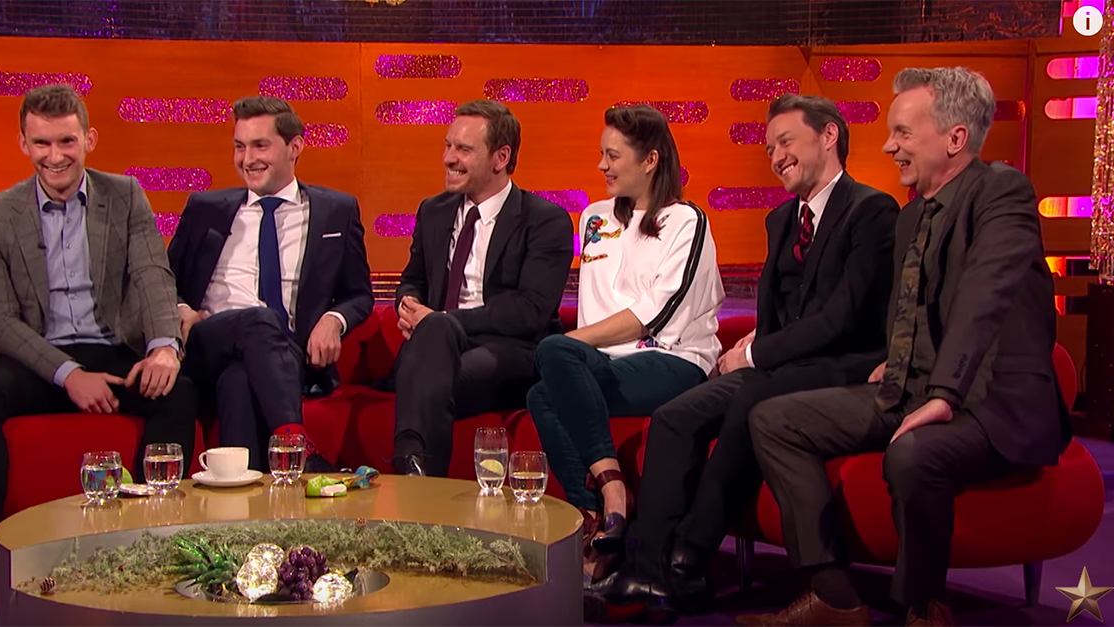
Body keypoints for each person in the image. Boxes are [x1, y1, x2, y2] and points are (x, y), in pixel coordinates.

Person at [738, 67, 1069, 627]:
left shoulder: (1002, 192)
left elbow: (985, 294)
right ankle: (834, 595)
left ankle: (922, 606)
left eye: (903, 133)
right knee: (774, 420)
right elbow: (906, 307)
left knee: (914, 453)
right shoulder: (911, 213)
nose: (889, 146)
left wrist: (944, 392)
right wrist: (896, 361)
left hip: (990, 401)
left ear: (955, 138)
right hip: (910, 388)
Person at [590, 95, 899, 613]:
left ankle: (689, 558)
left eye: (785, 142)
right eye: (769, 148)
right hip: (780, 363)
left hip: (844, 367)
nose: (776, 157)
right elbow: (778, 311)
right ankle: (649, 571)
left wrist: (755, 353)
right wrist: (753, 347)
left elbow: (841, 319)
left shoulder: (871, 211)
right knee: (675, 416)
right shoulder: (781, 220)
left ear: (829, 136)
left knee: (754, 394)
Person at [0, 84, 197, 618]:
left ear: (89, 139)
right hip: (37, 357)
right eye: (41, 143)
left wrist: (163, 349)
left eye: (66, 141)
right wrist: (69, 375)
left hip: (112, 347)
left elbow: (153, 276)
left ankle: (150, 542)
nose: (54, 156)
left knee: (177, 391)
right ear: (23, 144)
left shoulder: (125, 195)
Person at [527, 104, 725, 584]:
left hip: (673, 359)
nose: (602, 165)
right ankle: (601, 514)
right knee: (541, 392)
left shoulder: (685, 221)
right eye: (602, 154)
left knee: (553, 359)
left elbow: (654, 315)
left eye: (613, 156)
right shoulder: (594, 217)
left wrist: (570, 345)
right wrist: (576, 352)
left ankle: (606, 501)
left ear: (650, 160)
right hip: (602, 363)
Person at [167, 96, 372, 473]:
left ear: (295, 147)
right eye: (239, 147)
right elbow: (164, 280)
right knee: (259, 320)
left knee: (238, 381)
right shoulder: (205, 208)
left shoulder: (337, 211)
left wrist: (334, 319)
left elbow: (358, 293)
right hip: (208, 342)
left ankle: (243, 491)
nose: (247, 159)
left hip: (288, 356)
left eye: (260, 146)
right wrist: (182, 310)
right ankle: (295, 444)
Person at [392, 99, 574, 478]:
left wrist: (442, 320)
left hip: (509, 350)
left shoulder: (545, 221)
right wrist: (407, 303)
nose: (448, 158)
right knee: (433, 349)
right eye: (448, 146)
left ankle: (414, 472)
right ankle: (416, 471)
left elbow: (530, 311)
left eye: (463, 149)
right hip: (439, 346)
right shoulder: (433, 211)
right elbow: (414, 278)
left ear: (500, 157)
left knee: (427, 367)